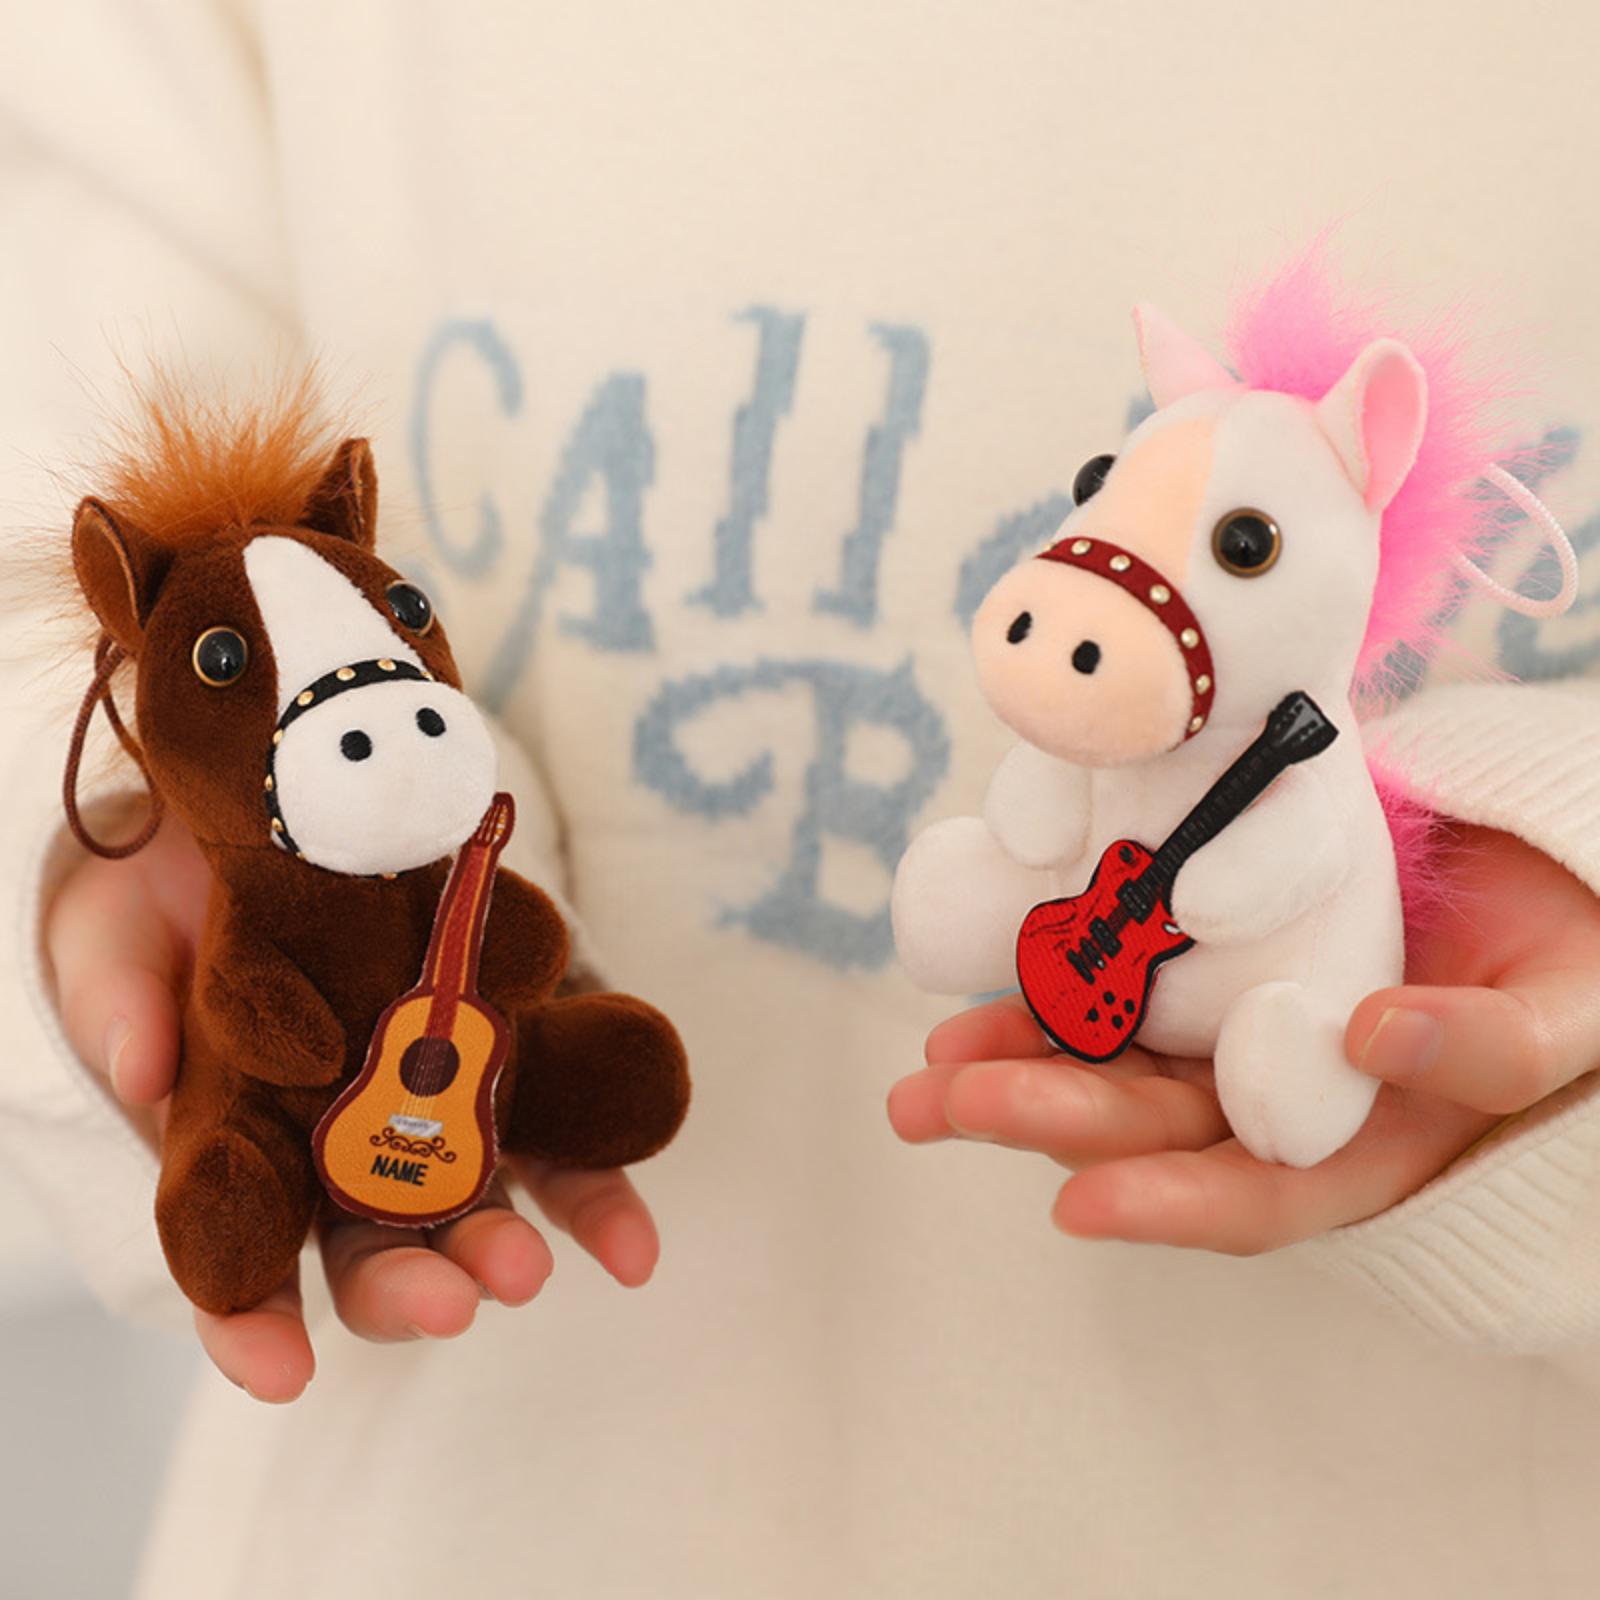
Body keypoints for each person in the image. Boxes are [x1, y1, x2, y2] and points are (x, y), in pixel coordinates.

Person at [4, 2, 1600, 1595]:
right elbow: (50, 468)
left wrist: (1551, 855)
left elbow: (1279, 863)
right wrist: (98, 833)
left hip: (1379, 1520)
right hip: (486, 1515)